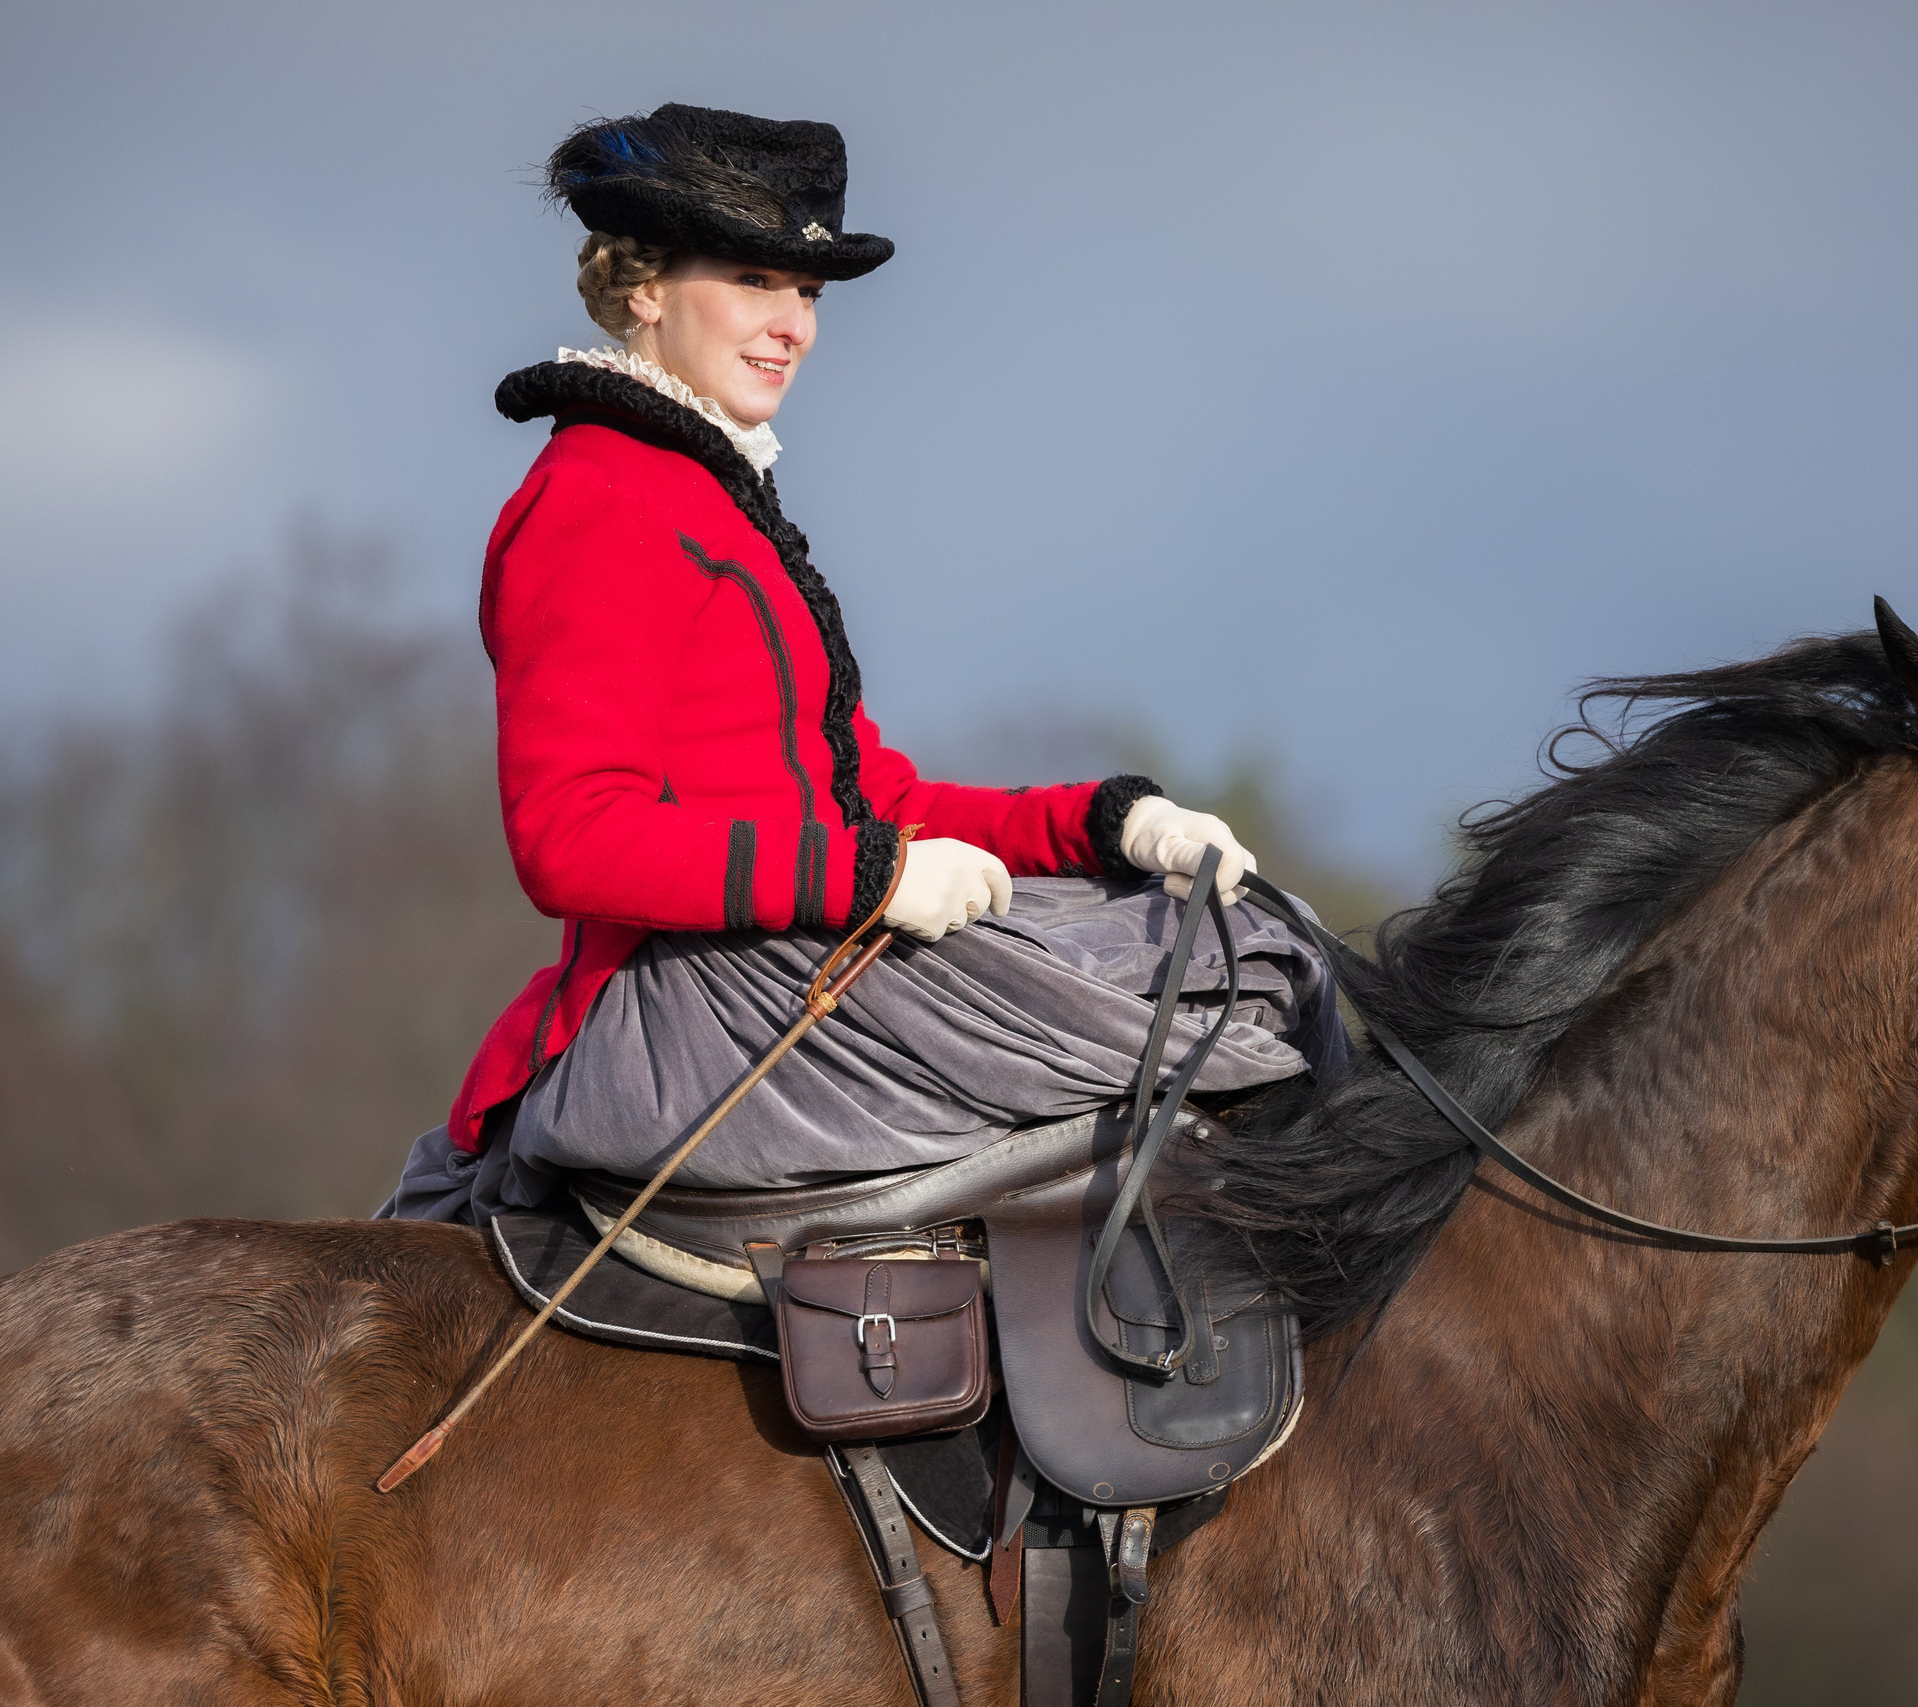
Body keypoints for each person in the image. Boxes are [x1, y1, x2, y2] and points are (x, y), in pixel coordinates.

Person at [382, 104, 1338, 1226]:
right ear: (644, 288)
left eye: (808, 292)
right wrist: (869, 880)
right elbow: (572, 838)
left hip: (794, 956)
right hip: (701, 1010)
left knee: (1248, 937)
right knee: (1242, 980)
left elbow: (864, 797)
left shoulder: (704, 490)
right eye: (753, 279)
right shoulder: (600, 499)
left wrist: (1106, 822)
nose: (791, 325)